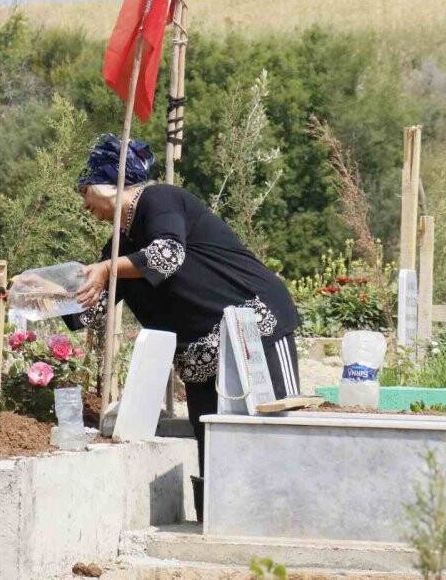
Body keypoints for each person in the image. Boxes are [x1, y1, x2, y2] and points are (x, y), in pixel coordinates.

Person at [65, 134, 301, 518]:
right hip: (201, 351)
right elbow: (92, 311)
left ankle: (286, 517)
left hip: (256, 325)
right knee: (212, 439)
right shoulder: (119, 245)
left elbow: (167, 255)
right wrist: (48, 293)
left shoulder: (160, 200)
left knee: (274, 426)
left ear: (104, 185)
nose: (84, 205)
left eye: (84, 193)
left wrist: (107, 269)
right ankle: (228, 523)